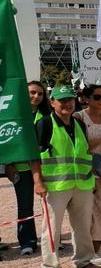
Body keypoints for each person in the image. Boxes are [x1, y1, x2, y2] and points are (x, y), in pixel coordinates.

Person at [32, 86, 101, 268]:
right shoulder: (45, 124)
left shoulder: (78, 123)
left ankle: (83, 260)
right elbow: (34, 157)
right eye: (62, 100)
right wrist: (38, 181)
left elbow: (84, 150)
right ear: (52, 102)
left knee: (82, 225)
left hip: (82, 183)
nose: (67, 103)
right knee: (52, 228)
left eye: (70, 99)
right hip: (55, 186)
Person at [4, 81, 50, 257]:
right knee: (25, 206)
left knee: (50, 205)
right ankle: (27, 241)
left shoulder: (46, 116)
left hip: (45, 167)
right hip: (21, 168)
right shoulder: (13, 115)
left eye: (39, 93)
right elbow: (8, 143)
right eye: (32, 92)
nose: (36, 96)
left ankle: (53, 239)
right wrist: (8, 165)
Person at [72, 84, 101, 257]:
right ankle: (85, 251)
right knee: (85, 211)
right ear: (87, 99)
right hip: (85, 168)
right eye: (97, 97)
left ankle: (96, 248)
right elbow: (79, 146)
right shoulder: (79, 117)